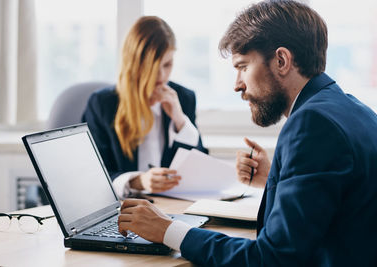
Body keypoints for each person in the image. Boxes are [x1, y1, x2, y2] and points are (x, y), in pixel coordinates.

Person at [117, 1, 377, 266]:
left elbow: (271, 259)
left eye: (242, 67)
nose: (237, 86)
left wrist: (167, 230)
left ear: (281, 60)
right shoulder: (353, 109)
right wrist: (275, 179)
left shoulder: (313, 124)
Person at [82, 16, 207, 198]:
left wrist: (179, 120)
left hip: (172, 206)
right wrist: (138, 181)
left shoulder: (184, 98)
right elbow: (92, 175)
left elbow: (200, 167)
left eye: (167, 64)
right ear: (134, 64)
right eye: (153, 67)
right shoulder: (102, 104)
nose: (162, 75)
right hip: (123, 207)